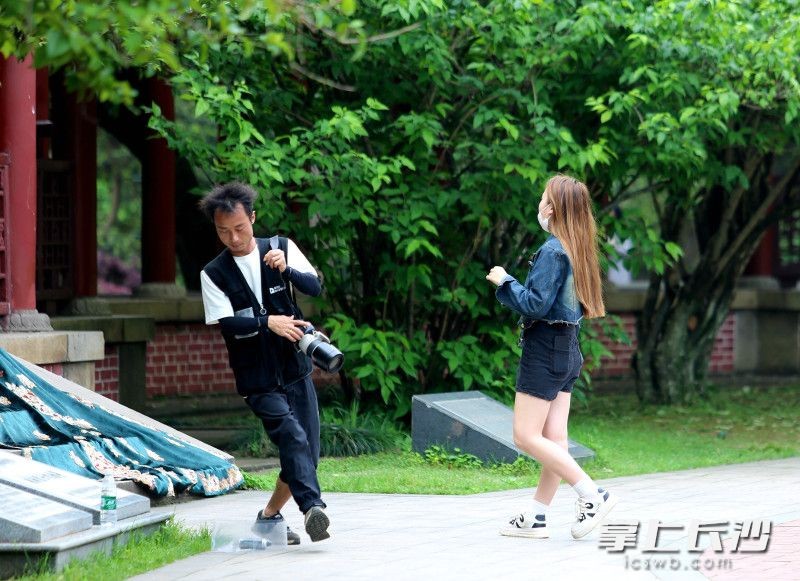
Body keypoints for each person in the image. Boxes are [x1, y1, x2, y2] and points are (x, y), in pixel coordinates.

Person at [486, 175, 618, 540]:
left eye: (543, 198)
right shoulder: (577, 249)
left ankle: (593, 495)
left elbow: (535, 304)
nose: (540, 205)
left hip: (545, 350)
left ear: (553, 208)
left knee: (525, 436)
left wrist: (505, 281)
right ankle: (536, 516)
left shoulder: (552, 251)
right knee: (554, 440)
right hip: (568, 349)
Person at [199, 182, 330, 544]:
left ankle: (269, 518)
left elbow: (314, 287)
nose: (233, 238)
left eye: (239, 228)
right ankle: (313, 509)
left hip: (295, 368)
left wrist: (287, 271)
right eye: (223, 231)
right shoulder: (213, 273)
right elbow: (226, 322)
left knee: (307, 453)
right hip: (256, 378)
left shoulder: (280, 247)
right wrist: (267, 322)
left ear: (253, 218)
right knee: (292, 436)